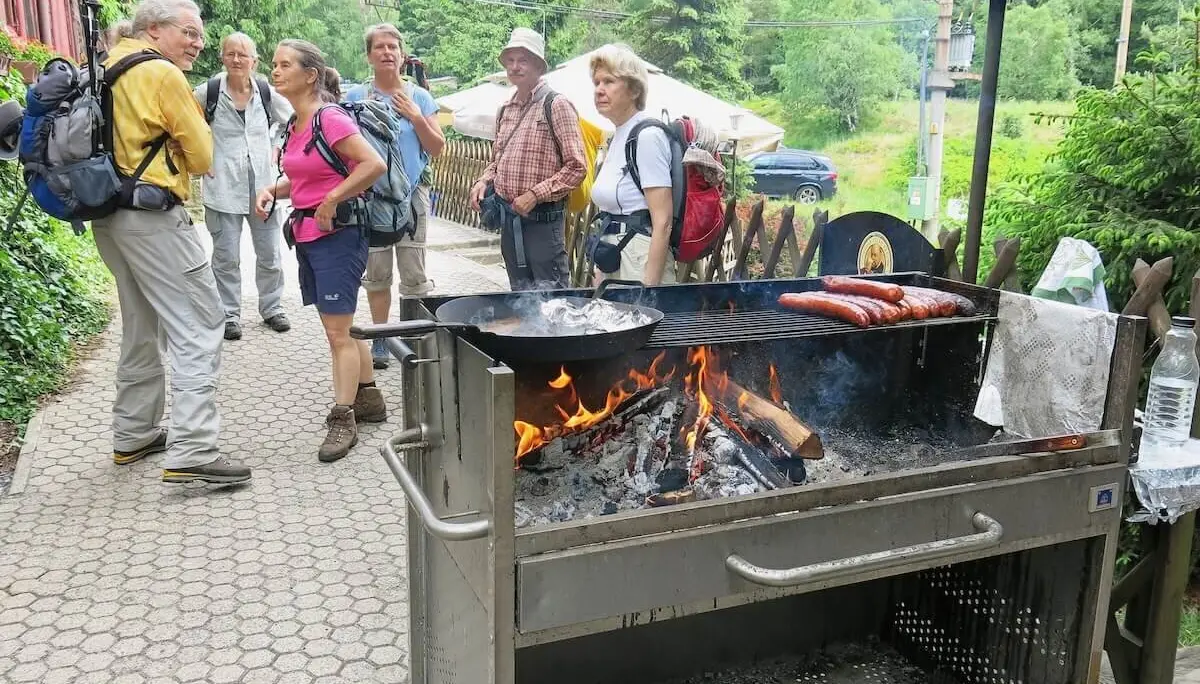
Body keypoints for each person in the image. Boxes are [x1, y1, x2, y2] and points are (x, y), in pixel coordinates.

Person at [96, 0, 251, 484]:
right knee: (201, 322)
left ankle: (134, 433)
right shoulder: (161, 74)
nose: (197, 43)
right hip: (154, 217)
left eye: (199, 34)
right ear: (153, 29)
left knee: (140, 324)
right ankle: (194, 450)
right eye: (188, 32)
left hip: (108, 216)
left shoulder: (106, 66)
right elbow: (203, 156)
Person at [254, 40, 388, 463]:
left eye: (285, 65)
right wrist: (271, 189)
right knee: (343, 325)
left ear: (310, 75)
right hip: (310, 235)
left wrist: (332, 199)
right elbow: (305, 177)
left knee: (336, 334)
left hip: (339, 234)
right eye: (274, 65)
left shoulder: (329, 118)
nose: (275, 71)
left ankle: (343, 417)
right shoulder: (297, 123)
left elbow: (373, 164)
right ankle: (369, 398)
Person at [345, 24, 445, 370]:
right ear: (369, 55)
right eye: (380, 47)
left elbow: (437, 147)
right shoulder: (356, 97)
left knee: (413, 271)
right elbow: (342, 147)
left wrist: (416, 118)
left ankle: (413, 338)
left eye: (393, 47)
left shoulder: (420, 98)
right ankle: (381, 337)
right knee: (377, 271)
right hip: (371, 196)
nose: (387, 52)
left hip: (412, 196)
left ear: (403, 56)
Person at [194, 32, 295, 342]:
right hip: (222, 185)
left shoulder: (265, 92)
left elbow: (293, 121)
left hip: (264, 185)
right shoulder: (208, 92)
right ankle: (228, 315)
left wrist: (278, 146)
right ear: (222, 58)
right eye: (230, 53)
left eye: (243, 54)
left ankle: (272, 308)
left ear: (254, 61)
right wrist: (199, 157)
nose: (236, 59)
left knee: (270, 252)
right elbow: (185, 124)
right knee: (226, 256)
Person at [469, 27, 585, 291]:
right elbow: (497, 161)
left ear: (538, 66)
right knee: (519, 299)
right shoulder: (505, 110)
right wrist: (483, 181)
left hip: (544, 223)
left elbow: (577, 167)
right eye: (510, 60)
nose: (515, 66)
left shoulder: (556, 104)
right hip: (510, 223)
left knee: (553, 300)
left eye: (523, 60)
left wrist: (534, 195)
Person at [589, 44, 676, 286]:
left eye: (609, 81)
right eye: (596, 82)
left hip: (640, 260)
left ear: (635, 89)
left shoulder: (647, 136)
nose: (599, 90)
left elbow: (663, 221)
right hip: (617, 254)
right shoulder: (619, 135)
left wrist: (648, 288)